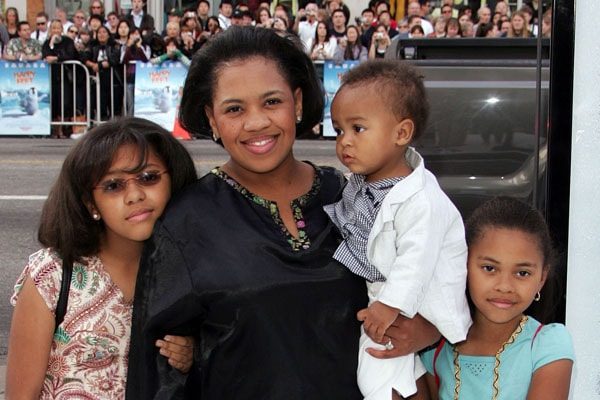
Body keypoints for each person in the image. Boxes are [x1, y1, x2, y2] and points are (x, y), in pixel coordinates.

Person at [126, 26, 440, 399]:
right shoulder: (185, 223)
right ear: (212, 119)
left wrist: (429, 329)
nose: (257, 122)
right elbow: (159, 375)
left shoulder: (353, 194)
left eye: (271, 102)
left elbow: (434, 273)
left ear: (298, 102)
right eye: (234, 109)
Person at [6, 117, 198, 398]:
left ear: (173, 181)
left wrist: (194, 354)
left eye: (148, 177)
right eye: (113, 186)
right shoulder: (53, 275)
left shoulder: (192, 270)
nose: (135, 195)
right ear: (90, 204)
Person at [324, 60, 471, 399]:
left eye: (358, 129)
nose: (344, 141)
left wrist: (390, 304)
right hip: (388, 298)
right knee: (397, 370)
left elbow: (416, 260)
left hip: (413, 303)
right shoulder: (366, 182)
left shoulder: (421, 199)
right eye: (339, 129)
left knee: (377, 372)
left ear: (402, 133)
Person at [422, 197, 575, 399]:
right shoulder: (434, 347)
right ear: (463, 266)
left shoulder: (547, 345)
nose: (505, 286)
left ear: (541, 279)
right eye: (490, 268)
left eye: (522, 273)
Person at [42, 19, 80, 139]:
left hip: (65, 76)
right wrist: (52, 44)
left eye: (58, 28)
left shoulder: (68, 41)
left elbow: (70, 55)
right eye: (53, 28)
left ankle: (64, 129)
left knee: (66, 102)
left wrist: (57, 58)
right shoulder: (47, 42)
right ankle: (55, 130)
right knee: (54, 102)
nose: (56, 30)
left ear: (62, 30)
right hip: (52, 76)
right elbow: (46, 54)